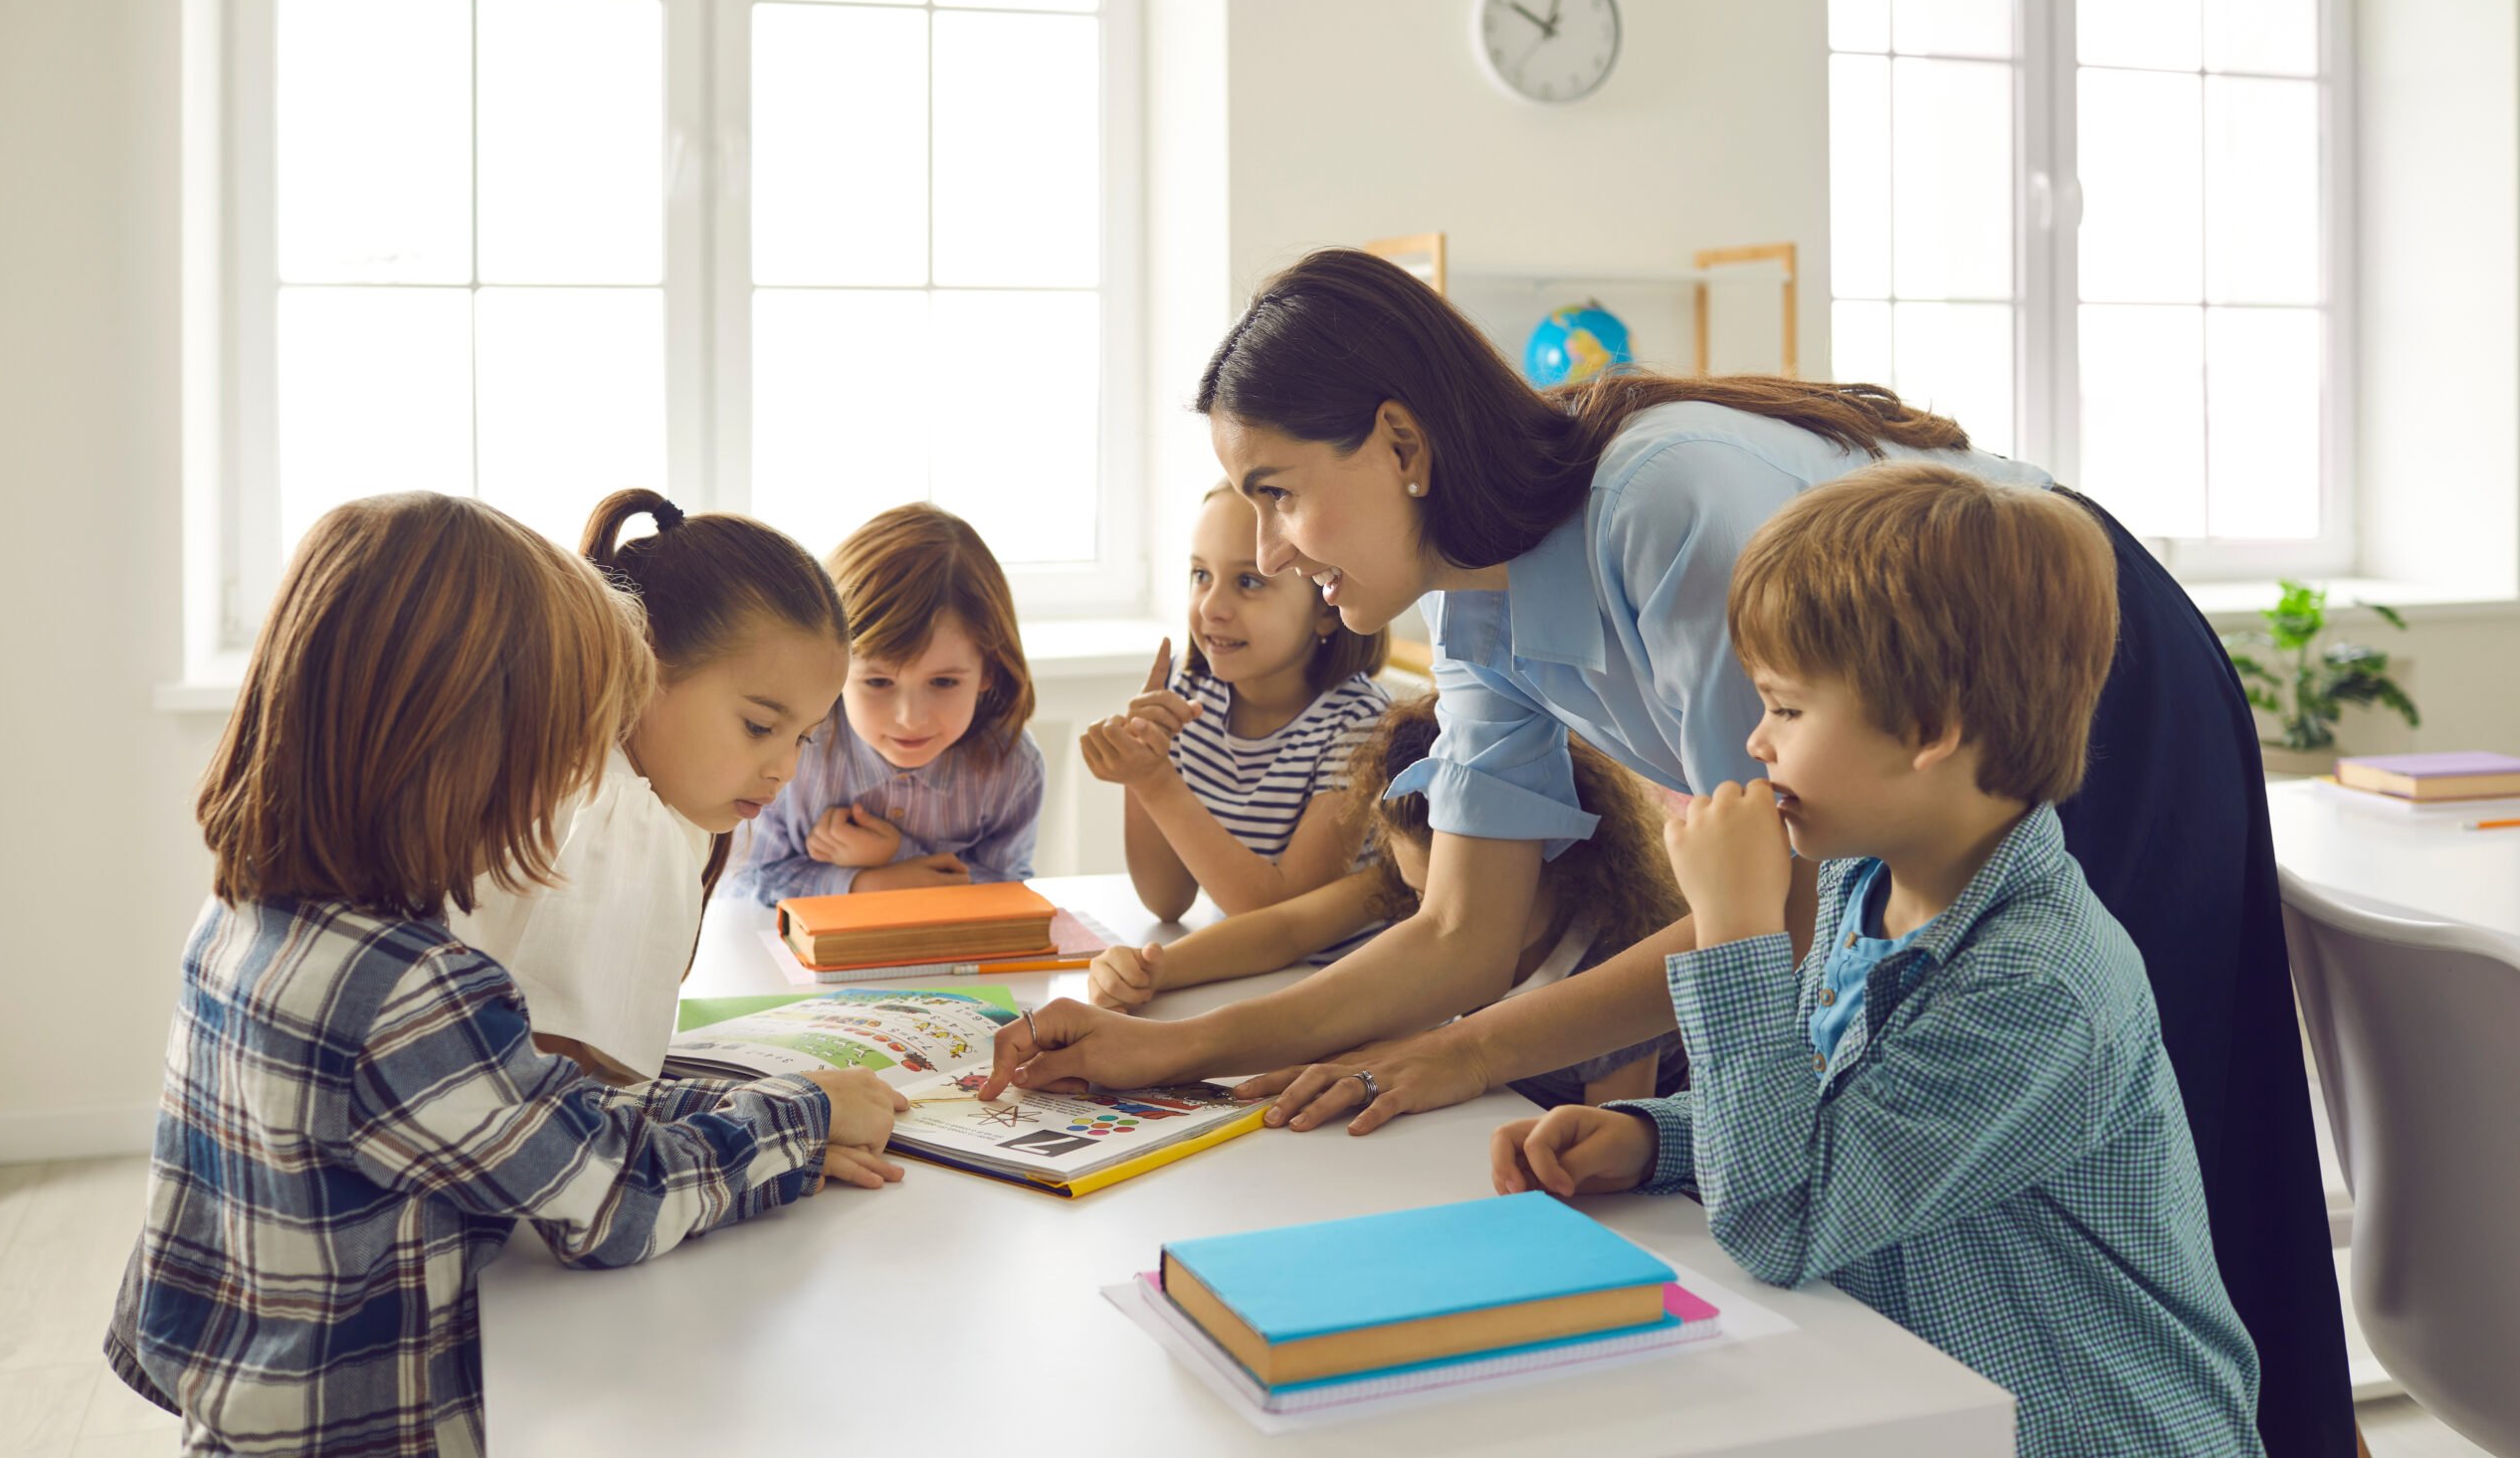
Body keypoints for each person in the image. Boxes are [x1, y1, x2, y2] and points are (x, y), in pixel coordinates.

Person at [982, 247, 2353, 1458]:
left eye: (1276, 493)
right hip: (1929, 737)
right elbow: (1463, 934)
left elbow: (1765, 905)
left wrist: (1461, 1056)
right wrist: (1170, 1051)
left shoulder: (1666, 503)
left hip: (2076, 661)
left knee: (2150, 1173)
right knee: (1932, 1156)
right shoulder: (1472, 612)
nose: (1271, 543)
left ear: (1400, 444)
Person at [103, 493, 903, 1458]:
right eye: (559, 740)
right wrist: (801, 1119)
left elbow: (535, 1110)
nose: (573, 776)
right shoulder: (406, 992)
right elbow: (614, 1203)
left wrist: (743, 1107)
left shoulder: (244, 919)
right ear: (446, 743)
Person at [1494, 460, 2261, 1458]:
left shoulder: (2035, 985)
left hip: (2089, 1434)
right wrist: (1653, 1138)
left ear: (1931, 729)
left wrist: (1735, 930)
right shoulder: (1866, 881)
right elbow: (1826, 1113)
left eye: (1786, 708)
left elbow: (1784, 1218)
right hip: (1930, 1400)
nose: (1755, 743)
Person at [1090, 694, 1683, 1106]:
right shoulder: (1416, 890)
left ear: (1557, 862)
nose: (1431, 914)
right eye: (1421, 891)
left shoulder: (1618, 952)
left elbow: (1611, 1141)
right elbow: (1286, 931)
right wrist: (1154, 969)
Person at [450, 487, 851, 1083]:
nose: (785, 769)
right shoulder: (618, 815)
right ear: (644, 663)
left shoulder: (599, 776)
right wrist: (786, 1127)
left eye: (804, 738)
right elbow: (576, 1105)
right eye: (760, 726)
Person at [1084, 481, 1389, 922]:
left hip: (1326, 978)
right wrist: (1142, 764)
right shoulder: (1186, 692)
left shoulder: (1360, 726)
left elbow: (1278, 921)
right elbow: (1166, 900)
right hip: (1242, 970)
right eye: (1201, 575)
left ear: (1326, 605)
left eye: (1248, 582)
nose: (1211, 608)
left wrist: (1156, 781)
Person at [724, 503, 1043, 902]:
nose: (910, 718)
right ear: (835, 668)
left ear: (989, 671)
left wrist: (892, 857)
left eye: (943, 681)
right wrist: (866, 881)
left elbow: (1007, 891)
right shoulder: (791, 750)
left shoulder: (1011, 766)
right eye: (878, 681)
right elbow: (744, 883)